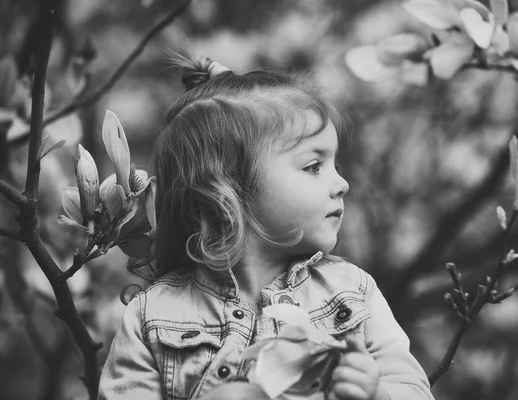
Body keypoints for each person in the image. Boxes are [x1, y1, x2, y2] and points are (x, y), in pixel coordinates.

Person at [98, 52, 434, 400]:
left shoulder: (351, 293)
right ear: (228, 186)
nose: (342, 184)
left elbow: (414, 389)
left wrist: (377, 392)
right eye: (314, 166)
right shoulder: (153, 315)